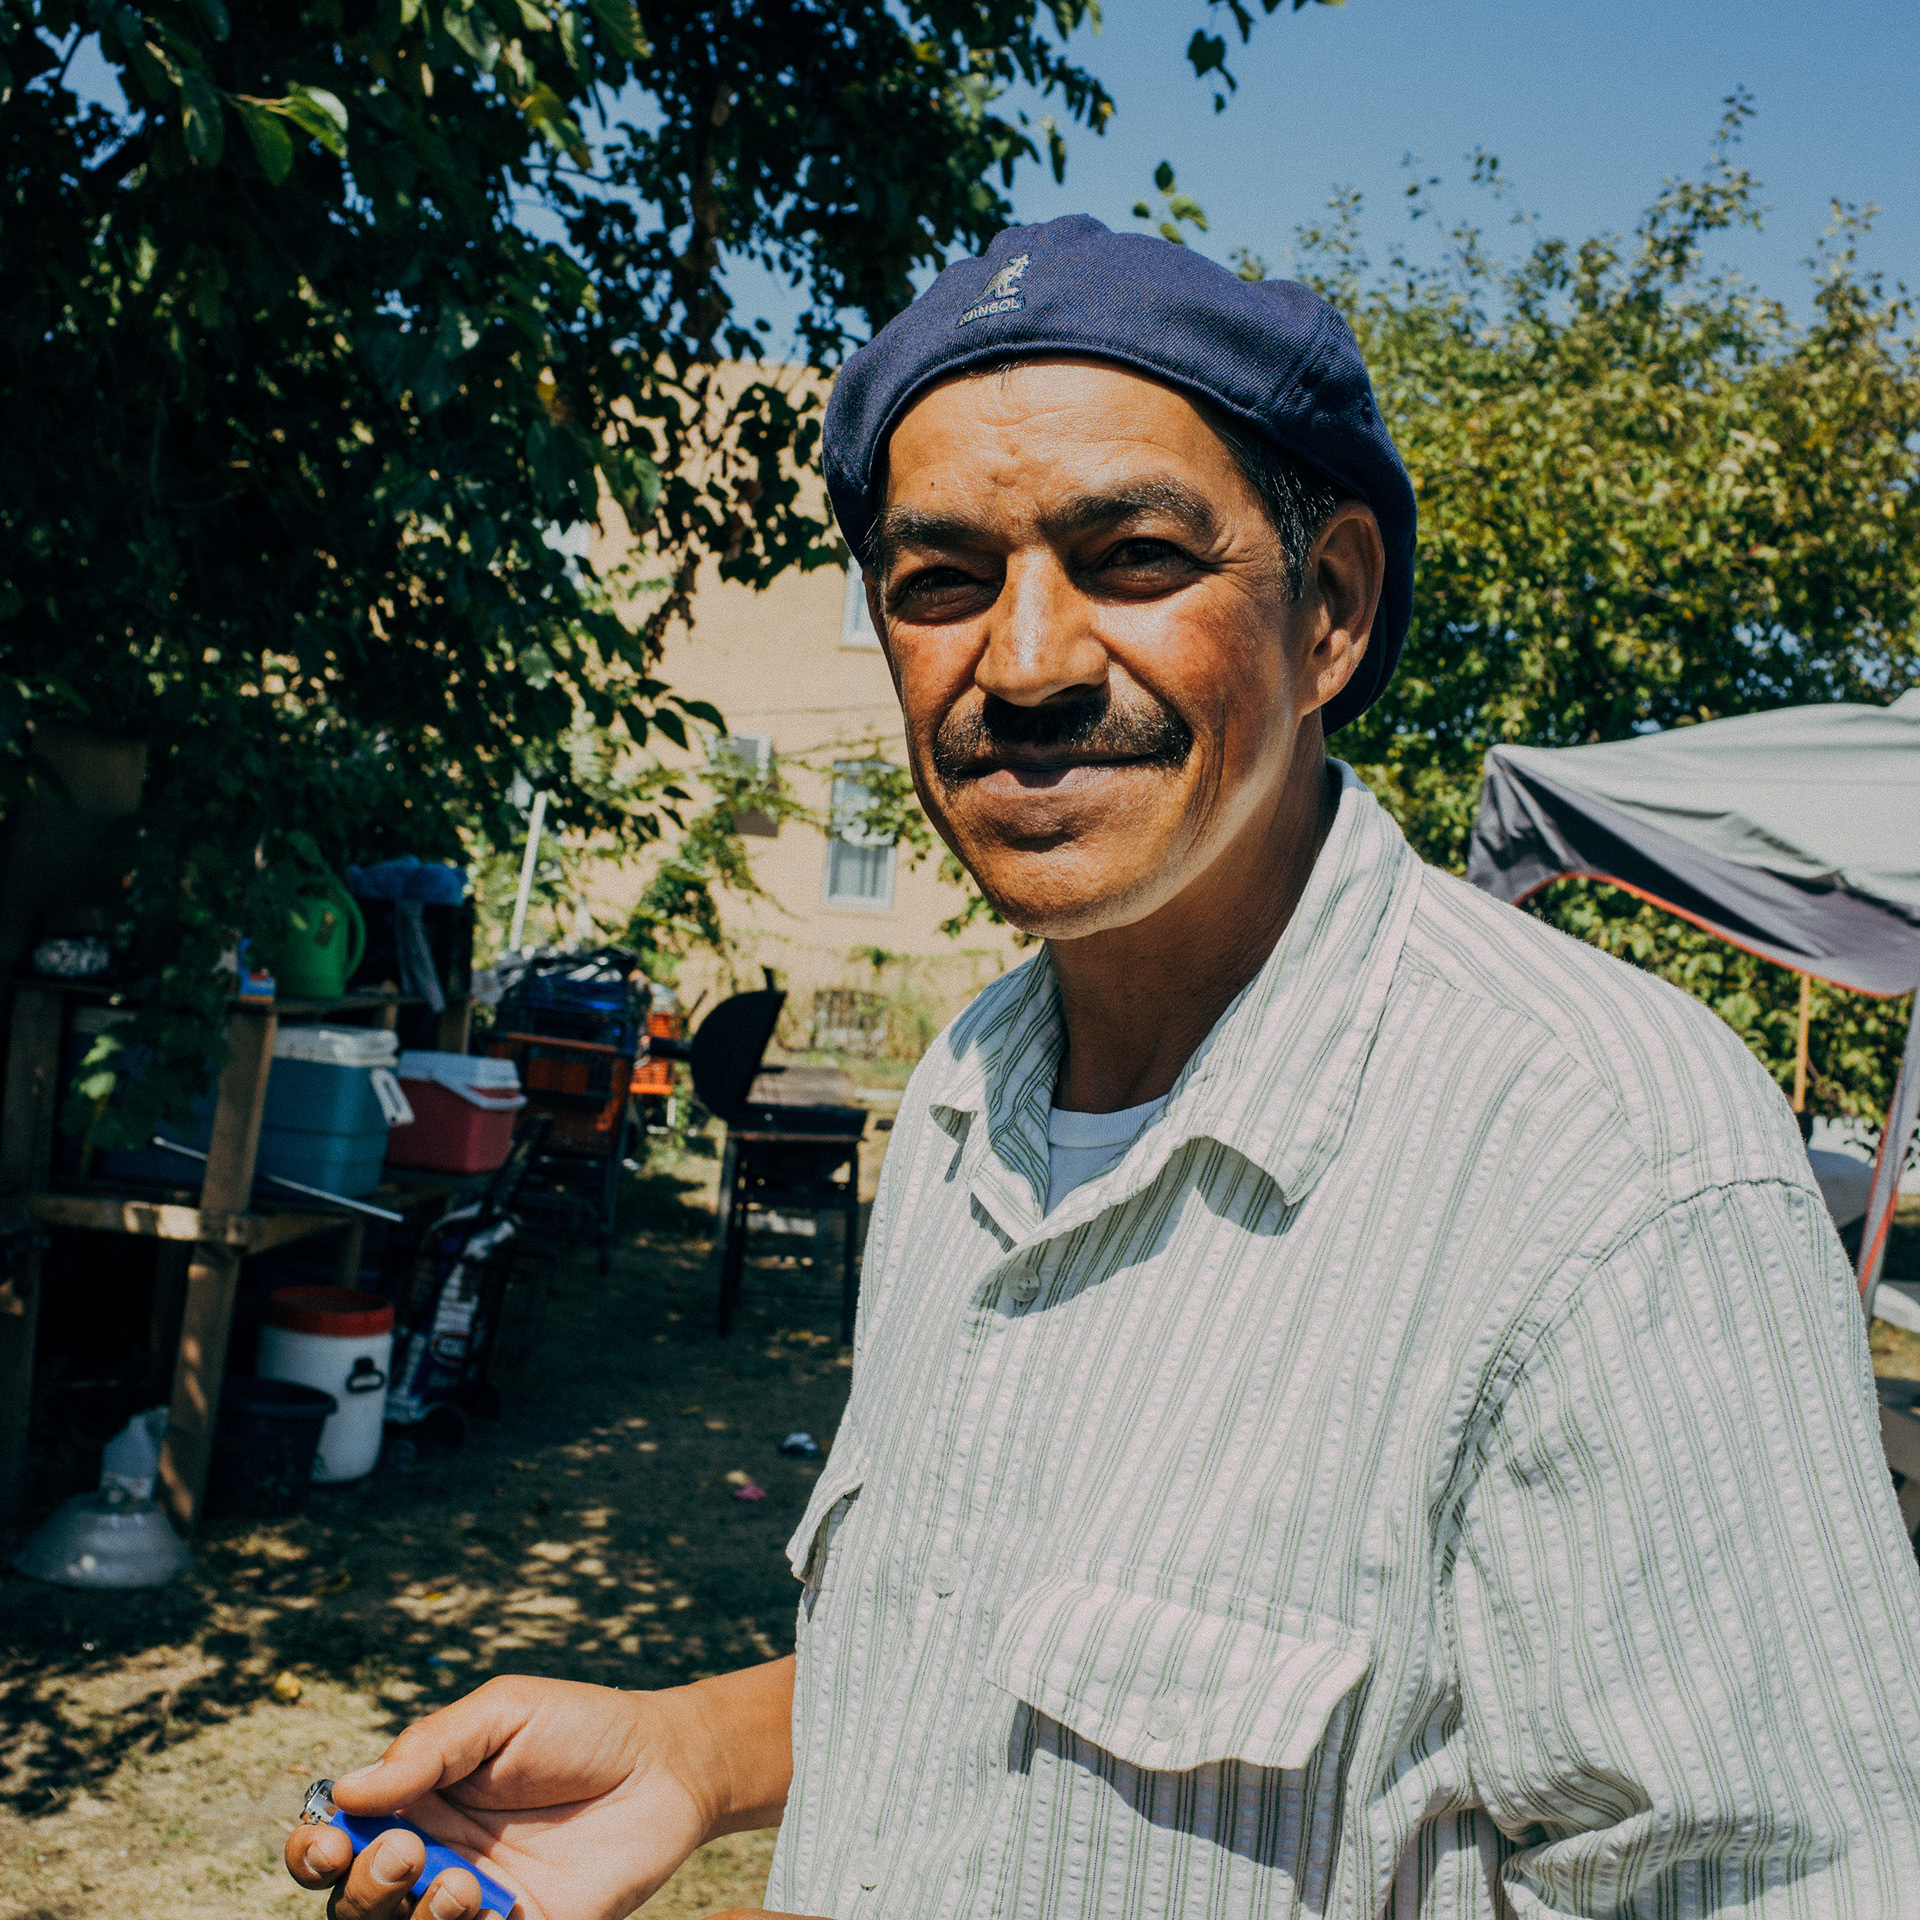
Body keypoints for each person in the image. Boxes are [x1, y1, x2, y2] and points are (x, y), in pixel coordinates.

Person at [288, 215, 1920, 1920]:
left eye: (1134, 554)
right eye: (938, 581)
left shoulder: (1605, 1163)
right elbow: (982, 1655)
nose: (1027, 662)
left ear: (1334, 611)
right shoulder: (966, 1098)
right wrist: (697, 1754)